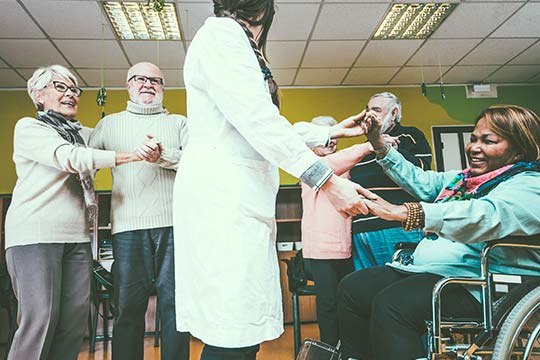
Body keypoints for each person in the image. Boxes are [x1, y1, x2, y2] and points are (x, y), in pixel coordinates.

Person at [173, 0, 374, 358]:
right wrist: (326, 179)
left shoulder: (228, 40)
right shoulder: (222, 37)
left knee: (240, 326)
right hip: (224, 200)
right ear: (262, 12)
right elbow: (258, 122)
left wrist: (330, 133)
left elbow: (253, 123)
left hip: (234, 197)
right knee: (232, 329)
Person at [337, 105, 540, 360]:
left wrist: (406, 213)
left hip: (483, 285)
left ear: (519, 150)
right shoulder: (463, 181)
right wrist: (378, 143)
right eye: (474, 138)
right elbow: (421, 180)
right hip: (439, 273)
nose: (475, 147)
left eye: (488, 141)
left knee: (393, 304)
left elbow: (483, 215)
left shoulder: (530, 185)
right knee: (353, 288)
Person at [4, 65, 142, 360]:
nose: (70, 94)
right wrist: (128, 156)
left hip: (77, 238)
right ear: (39, 95)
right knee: (40, 319)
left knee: (73, 323)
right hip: (35, 235)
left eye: (74, 89)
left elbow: (113, 139)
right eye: (60, 87)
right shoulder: (30, 128)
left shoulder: (82, 133)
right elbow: (69, 157)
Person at [89, 62, 190, 360]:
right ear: (128, 86)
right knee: (128, 309)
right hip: (127, 228)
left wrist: (163, 155)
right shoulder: (109, 124)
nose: (147, 84)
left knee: (176, 306)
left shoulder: (180, 123)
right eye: (139, 79)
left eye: (155, 80)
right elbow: (88, 163)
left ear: (163, 87)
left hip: (174, 226)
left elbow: (198, 162)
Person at [299, 116, 374, 346]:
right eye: (325, 137)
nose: (331, 142)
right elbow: (332, 166)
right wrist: (370, 145)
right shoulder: (308, 165)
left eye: (333, 137)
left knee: (347, 303)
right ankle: (331, 350)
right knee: (329, 305)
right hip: (321, 251)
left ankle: (349, 349)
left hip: (346, 247)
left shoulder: (345, 167)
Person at [349, 92, 433, 270]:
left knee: (398, 287)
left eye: (376, 110)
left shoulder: (410, 136)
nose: (369, 115)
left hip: (395, 227)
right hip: (361, 230)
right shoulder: (363, 147)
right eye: (367, 110)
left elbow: (422, 173)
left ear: (394, 114)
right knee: (365, 289)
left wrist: (392, 151)